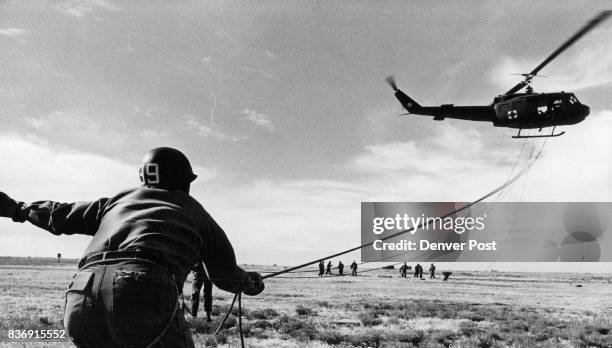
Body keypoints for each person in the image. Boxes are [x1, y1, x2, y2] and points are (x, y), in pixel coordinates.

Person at [0, 147, 264, 347]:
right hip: (142, 288)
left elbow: (59, 215)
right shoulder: (196, 212)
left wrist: (17, 208)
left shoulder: (116, 201)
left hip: (82, 294)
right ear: (184, 181)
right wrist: (251, 283)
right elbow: (225, 276)